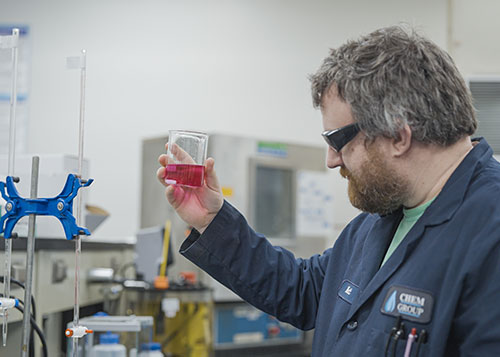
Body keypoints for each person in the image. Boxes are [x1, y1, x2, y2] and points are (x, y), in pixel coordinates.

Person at [157, 26, 500, 356]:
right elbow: (304, 290)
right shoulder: (382, 218)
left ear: (398, 136)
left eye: (338, 141)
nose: (331, 160)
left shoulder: (489, 231)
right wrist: (213, 221)